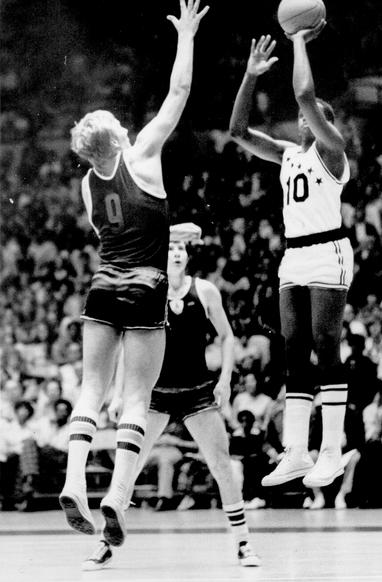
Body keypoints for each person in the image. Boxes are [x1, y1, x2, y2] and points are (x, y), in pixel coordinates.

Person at [59, 0, 209, 547]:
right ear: (118, 137)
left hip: (104, 284)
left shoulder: (87, 184)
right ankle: (116, 497)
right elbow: (179, 93)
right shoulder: (143, 154)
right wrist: (186, 35)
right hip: (147, 287)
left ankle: (75, 479)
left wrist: (175, 230)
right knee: (136, 398)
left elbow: (119, 234)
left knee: (90, 390)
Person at [83, 224, 260, 570]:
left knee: (221, 464)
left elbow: (228, 337)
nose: (177, 252)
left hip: (197, 393)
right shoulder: (148, 291)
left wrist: (224, 380)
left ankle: (243, 543)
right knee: (127, 468)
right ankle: (105, 542)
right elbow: (126, 344)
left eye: (182, 248)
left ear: (188, 255)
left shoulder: (205, 291)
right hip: (155, 393)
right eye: (171, 247)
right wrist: (120, 393)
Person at [229, 25, 354, 489]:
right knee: (294, 353)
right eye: (305, 118)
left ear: (327, 123)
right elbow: (237, 131)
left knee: (326, 346)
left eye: (316, 117)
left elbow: (305, 93)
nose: (305, 119)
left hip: (328, 249)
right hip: (294, 256)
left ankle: (332, 451)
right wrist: (249, 74)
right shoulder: (286, 156)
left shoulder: (333, 152)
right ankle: (297, 451)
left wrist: (298, 39)